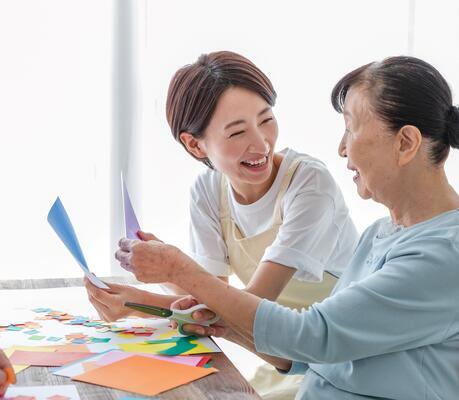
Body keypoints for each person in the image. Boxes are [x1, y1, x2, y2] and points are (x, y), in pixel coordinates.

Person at [115, 55, 459, 399]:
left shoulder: (444, 256)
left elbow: (312, 336)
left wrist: (178, 270)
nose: (341, 148)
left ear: (406, 143)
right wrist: (224, 328)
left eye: (350, 128)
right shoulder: (384, 234)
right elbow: (315, 353)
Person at [85, 51, 358, 399]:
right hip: (283, 361)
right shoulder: (208, 190)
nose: (260, 143)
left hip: (340, 368)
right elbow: (213, 300)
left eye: (266, 119)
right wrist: (167, 270)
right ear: (195, 144)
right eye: (237, 132)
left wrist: (149, 291)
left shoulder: (309, 183)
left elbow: (251, 308)